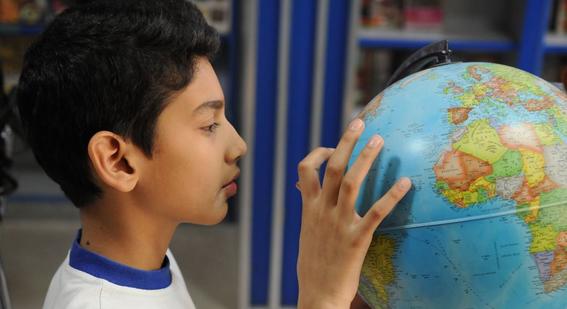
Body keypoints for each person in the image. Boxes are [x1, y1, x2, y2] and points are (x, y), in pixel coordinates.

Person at [16, 0, 412, 308]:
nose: (238, 145)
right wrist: (322, 300)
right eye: (209, 125)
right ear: (118, 160)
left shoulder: (142, 260)